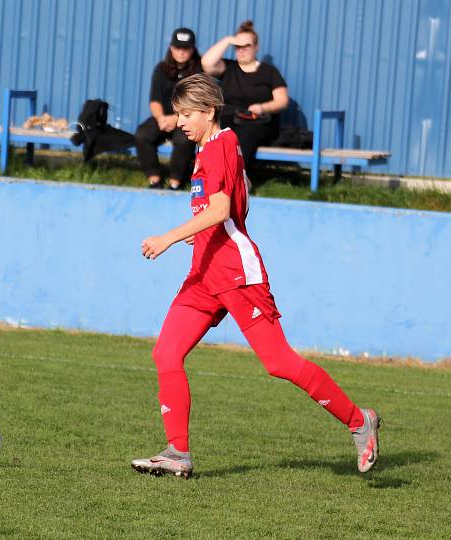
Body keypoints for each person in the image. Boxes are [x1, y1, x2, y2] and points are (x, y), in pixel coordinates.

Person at [131, 74, 379, 479]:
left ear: (209, 111)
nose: (180, 122)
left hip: (234, 274)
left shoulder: (219, 147)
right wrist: (201, 237)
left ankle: (358, 421)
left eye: (187, 114)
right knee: (166, 353)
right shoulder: (211, 147)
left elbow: (222, 210)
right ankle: (177, 452)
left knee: (278, 362)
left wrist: (170, 238)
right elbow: (225, 207)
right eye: (178, 114)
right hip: (204, 274)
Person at [201, 20, 289, 169]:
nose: (241, 50)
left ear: (256, 48)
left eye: (246, 46)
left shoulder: (269, 72)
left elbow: (282, 101)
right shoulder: (228, 68)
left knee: (240, 138)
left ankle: (235, 181)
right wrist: (229, 40)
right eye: (237, 46)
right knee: (214, 133)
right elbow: (207, 63)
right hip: (229, 118)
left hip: (257, 122)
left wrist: (263, 107)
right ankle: (210, 178)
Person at [135, 28, 202, 190]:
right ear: (171, 48)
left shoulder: (199, 71)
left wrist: (178, 118)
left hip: (188, 117)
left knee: (184, 140)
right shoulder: (161, 69)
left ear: (192, 49)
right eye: (178, 47)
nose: (181, 52)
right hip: (164, 117)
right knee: (142, 135)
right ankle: (155, 180)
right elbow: (154, 100)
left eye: (185, 48)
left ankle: (175, 183)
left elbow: (198, 104)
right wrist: (160, 119)